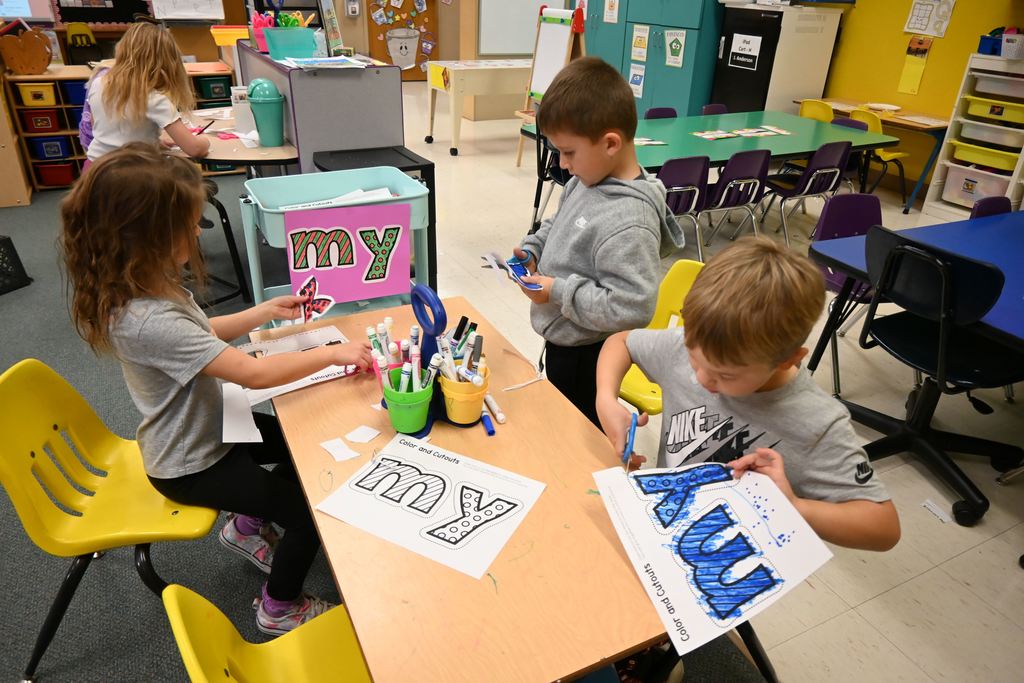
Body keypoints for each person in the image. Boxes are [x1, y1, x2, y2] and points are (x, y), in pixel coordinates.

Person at [60, 143, 372, 634]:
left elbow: (204, 331)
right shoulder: (146, 319)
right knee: (308, 511)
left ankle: (246, 526)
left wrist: (264, 312)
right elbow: (252, 375)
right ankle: (279, 607)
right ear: (148, 237)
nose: (196, 230)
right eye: (187, 224)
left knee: (297, 446)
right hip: (192, 463)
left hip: (212, 433)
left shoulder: (148, 285)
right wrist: (331, 353)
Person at [595, 237, 900, 551]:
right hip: (661, 527)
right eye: (694, 359)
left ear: (788, 359)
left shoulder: (817, 422)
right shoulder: (694, 346)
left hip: (724, 562)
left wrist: (795, 506)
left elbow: (883, 528)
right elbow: (620, 343)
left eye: (725, 375)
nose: (701, 379)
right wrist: (606, 398)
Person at [513, 57, 684, 427]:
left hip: (590, 356)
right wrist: (534, 249)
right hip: (565, 338)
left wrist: (557, 292)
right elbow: (558, 224)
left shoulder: (630, 221)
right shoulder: (585, 180)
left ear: (610, 143)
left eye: (569, 152)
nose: (562, 163)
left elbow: (632, 307)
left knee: (583, 438)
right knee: (562, 426)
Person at [84, 22, 210, 163]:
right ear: (166, 63)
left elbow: (102, 126)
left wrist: (152, 143)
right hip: (134, 174)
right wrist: (205, 141)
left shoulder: (98, 83)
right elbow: (195, 149)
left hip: (95, 168)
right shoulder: (153, 98)